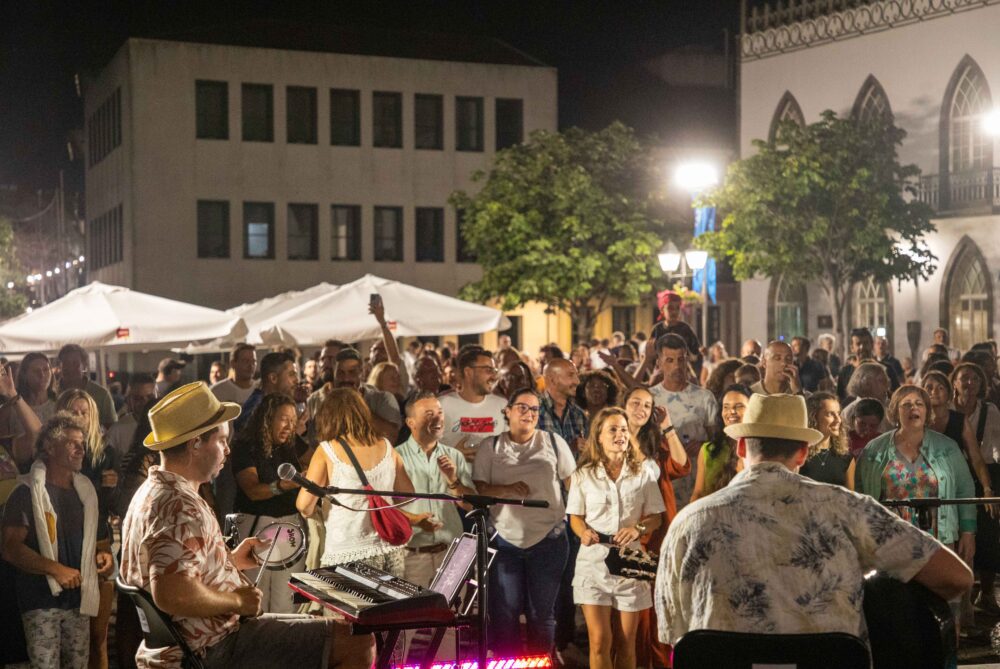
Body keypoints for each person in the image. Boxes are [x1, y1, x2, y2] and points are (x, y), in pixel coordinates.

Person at [656, 393, 973, 646]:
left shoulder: (688, 522)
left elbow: (674, 636)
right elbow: (957, 577)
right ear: (804, 453)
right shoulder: (846, 507)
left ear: (740, 445)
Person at [120, 382, 372, 668]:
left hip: (204, 641)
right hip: (212, 647)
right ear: (196, 444)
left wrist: (229, 561)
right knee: (355, 640)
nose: (228, 450)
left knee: (326, 626)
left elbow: (176, 570)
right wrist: (236, 602)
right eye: (222, 440)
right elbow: (172, 593)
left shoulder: (153, 492)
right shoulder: (179, 506)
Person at [1, 413, 115, 669]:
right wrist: (55, 569)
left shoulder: (85, 492)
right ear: (49, 448)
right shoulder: (27, 492)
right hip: (40, 601)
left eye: (82, 443)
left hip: (77, 600)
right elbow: (9, 549)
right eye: (72, 443)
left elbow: (89, 545)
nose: (80, 449)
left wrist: (101, 558)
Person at [472, 389, 575, 658]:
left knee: (542, 613)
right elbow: (479, 488)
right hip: (505, 541)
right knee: (505, 612)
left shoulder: (553, 442)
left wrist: (574, 520)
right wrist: (506, 490)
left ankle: (542, 661)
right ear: (507, 411)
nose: (529, 414)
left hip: (548, 540)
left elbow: (573, 485)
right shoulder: (491, 446)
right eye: (523, 407)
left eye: (535, 409)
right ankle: (508, 662)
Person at [568, 407, 664, 669]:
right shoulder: (583, 474)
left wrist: (638, 529)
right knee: (599, 641)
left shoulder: (642, 473)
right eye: (613, 429)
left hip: (630, 560)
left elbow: (656, 517)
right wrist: (583, 531)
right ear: (599, 436)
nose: (620, 434)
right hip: (593, 560)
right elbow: (575, 517)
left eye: (623, 429)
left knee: (626, 642)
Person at [297, 387, 414, 576]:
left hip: (349, 550)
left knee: (353, 605)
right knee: (391, 606)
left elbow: (304, 506)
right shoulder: (386, 446)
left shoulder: (327, 450)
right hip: (391, 547)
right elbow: (407, 494)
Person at [858, 385, 977, 566]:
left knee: (937, 591)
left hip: (938, 539)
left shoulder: (947, 447)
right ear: (896, 412)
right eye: (906, 404)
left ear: (926, 411)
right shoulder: (874, 449)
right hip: (889, 541)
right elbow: (860, 493)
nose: (913, 408)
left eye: (919, 404)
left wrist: (968, 532)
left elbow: (964, 490)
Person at [620, 386, 689, 669]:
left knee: (658, 607)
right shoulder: (611, 441)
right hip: (624, 536)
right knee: (632, 612)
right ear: (622, 406)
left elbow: (682, 465)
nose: (641, 409)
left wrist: (668, 427)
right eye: (635, 403)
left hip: (657, 534)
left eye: (647, 406)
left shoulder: (655, 443)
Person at [230, 393, 311, 613]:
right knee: (257, 595)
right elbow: (253, 491)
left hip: (289, 525)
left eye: (293, 420)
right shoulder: (245, 447)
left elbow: (315, 458)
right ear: (267, 419)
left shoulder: (291, 444)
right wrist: (283, 486)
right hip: (257, 528)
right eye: (284, 419)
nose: (289, 426)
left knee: (285, 598)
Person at [55, 388, 116, 668]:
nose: (79, 417)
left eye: (84, 412)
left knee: (97, 635)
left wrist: (109, 489)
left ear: (94, 416)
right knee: (68, 637)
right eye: (73, 412)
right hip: (63, 547)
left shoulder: (105, 453)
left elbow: (110, 506)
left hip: (98, 543)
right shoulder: (51, 458)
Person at [397, 393, 475, 585]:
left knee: (452, 615)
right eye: (429, 414)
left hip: (451, 554)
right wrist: (415, 522)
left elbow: (471, 506)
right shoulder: (395, 457)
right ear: (411, 422)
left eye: (440, 412)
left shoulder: (454, 456)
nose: (438, 418)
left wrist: (453, 479)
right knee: (415, 615)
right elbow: (384, 508)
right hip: (413, 557)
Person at [647, 334, 718, 510]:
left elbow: (717, 441)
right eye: (670, 360)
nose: (677, 366)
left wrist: (703, 445)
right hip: (662, 484)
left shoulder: (704, 397)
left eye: (681, 359)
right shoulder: (650, 399)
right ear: (659, 363)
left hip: (697, 484)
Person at [951, 362, 1000, 612]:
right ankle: (962, 594)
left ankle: (988, 592)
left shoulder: (989, 410)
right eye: (965, 378)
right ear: (955, 382)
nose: (970, 384)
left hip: (985, 472)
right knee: (958, 531)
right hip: (955, 474)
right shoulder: (947, 411)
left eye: (975, 379)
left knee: (989, 530)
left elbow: (996, 445)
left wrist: (989, 485)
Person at [308, 347, 401, 445]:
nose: (346, 378)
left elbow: (391, 437)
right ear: (334, 373)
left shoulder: (382, 399)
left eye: (352, 372)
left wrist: (357, 405)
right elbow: (315, 442)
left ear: (362, 372)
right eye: (340, 372)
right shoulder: (323, 401)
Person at [437, 348, 506, 459]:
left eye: (495, 371)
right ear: (468, 372)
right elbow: (423, 449)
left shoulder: (502, 406)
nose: (494, 377)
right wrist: (452, 456)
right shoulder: (441, 405)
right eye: (488, 370)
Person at [690, 384, 750, 502]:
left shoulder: (760, 450)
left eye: (739, 406)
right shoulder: (708, 449)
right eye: (726, 407)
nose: (731, 412)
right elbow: (698, 493)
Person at [800, 392, 855, 489]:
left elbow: (851, 499)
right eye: (830, 414)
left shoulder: (846, 458)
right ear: (813, 417)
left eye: (838, 414)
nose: (838, 420)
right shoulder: (798, 455)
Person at [55, 345, 116, 429]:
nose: (70, 367)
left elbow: (112, 427)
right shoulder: (52, 393)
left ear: (84, 366)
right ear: (60, 366)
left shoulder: (101, 394)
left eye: (75, 363)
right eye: (66, 363)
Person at [649, 291, 702, 377]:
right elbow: (651, 355)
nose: (674, 312)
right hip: (662, 374)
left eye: (677, 308)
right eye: (670, 308)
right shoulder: (657, 330)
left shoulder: (685, 329)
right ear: (662, 310)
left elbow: (696, 353)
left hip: (683, 373)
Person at [837, 328, 899, 401]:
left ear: (872, 345)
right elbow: (840, 398)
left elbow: (896, 395)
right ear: (852, 348)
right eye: (858, 344)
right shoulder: (845, 372)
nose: (862, 347)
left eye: (866, 343)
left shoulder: (887, 369)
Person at [105, 373, 156, 461]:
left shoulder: (167, 426)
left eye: (150, 397)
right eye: (138, 398)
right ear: (129, 399)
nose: (145, 402)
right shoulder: (116, 431)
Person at [841, 361, 893, 433]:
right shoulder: (850, 412)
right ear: (866, 383)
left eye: (887, 381)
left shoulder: (890, 408)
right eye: (882, 381)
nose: (887, 386)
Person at [16, 352, 57, 424]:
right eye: (36, 370)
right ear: (24, 375)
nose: (42, 375)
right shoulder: (15, 409)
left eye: (45, 369)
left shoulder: (60, 404)